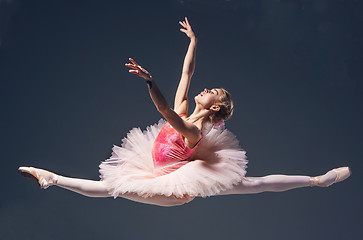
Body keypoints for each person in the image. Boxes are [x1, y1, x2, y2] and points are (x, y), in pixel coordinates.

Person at [19, 17, 351, 207]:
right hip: (157, 170)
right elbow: (186, 74)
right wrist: (193, 41)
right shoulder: (186, 110)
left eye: (211, 92)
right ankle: (315, 182)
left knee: (254, 183)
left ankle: (316, 181)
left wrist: (150, 82)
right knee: (253, 184)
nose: (203, 90)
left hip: (175, 189)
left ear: (215, 107)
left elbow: (165, 110)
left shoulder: (192, 132)